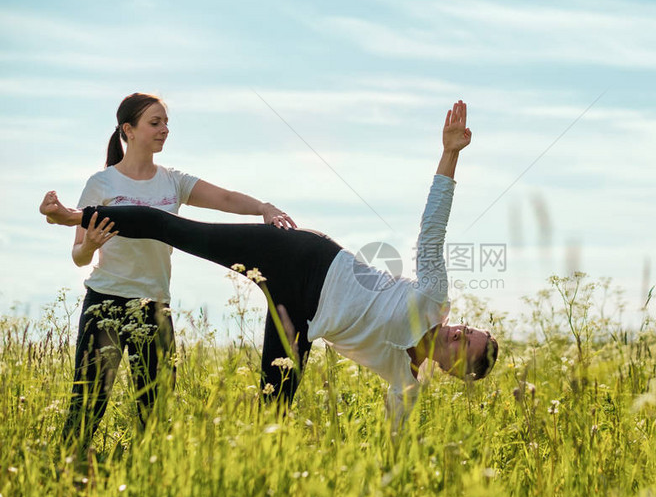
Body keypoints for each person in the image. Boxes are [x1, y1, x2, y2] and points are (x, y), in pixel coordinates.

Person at [41, 100, 499, 432]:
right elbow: (433, 226)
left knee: (274, 406)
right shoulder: (433, 296)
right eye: (468, 330)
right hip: (304, 258)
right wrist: (451, 152)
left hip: (299, 318)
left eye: (466, 346)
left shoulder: (405, 381)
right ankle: (72, 216)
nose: (458, 332)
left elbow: (399, 445)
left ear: (455, 371)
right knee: (185, 233)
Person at [58, 92, 296, 453]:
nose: (164, 130)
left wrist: (264, 208)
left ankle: (149, 482)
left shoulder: (173, 181)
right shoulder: (102, 184)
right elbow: (78, 255)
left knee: (155, 413)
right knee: (88, 404)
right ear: (129, 130)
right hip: (104, 303)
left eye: (166, 123)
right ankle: (67, 471)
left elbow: (226, 198)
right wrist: (90, 245)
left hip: (154, 306)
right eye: (155, 123)